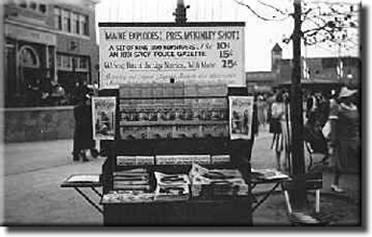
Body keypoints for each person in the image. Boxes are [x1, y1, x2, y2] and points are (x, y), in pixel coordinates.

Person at [329, 87, 360, 193]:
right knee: (341, 161)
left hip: (355, 137)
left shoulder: (354, 107)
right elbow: (333, 124)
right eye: (350, 96)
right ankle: (335, 183)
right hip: (343, 138)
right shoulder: (338, 108)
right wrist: (333, 139)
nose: (352, 98)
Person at [72, 90, 98, 161]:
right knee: (84, 141)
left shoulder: (80, 108)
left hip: (83, 127)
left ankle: (78, 153)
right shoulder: (83, 108)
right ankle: (82, 154)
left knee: (81, 142)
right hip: (84, 127)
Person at [270, 92, 285, 171]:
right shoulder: (274, 105)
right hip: (278, 126)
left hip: (284, 125)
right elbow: (273, 115)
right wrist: (280, 114)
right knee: (278, 146)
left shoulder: (284, 105)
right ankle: (278, 163)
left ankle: (284, 162)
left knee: (285, 145)